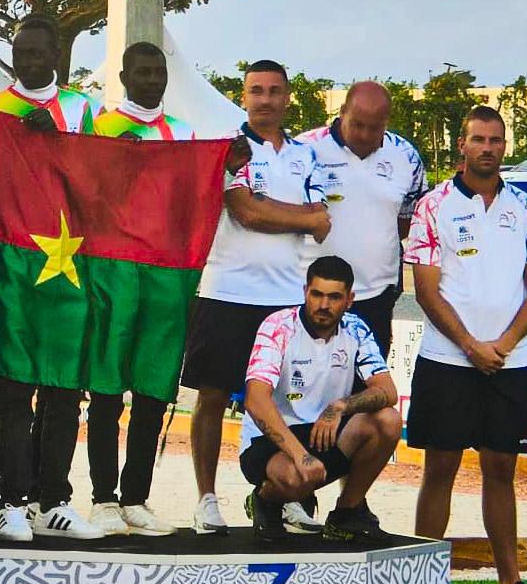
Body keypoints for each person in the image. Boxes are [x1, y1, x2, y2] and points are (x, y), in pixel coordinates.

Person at [406, 106, 527, 584]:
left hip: (511, 364)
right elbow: (426, 291)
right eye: (478, 139)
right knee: (440, 470)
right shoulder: (433, 207)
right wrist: (470, 345)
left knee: (501, 471)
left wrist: (505, 344)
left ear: (504, 147)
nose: (488, 148)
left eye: (495, 140)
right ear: (461, 148)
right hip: (448, 359)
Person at [180, 60, 329, 534]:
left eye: (274, 91)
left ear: (288, 97)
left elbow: (323, 221)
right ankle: (206, 498)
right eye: (256, 91)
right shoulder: (231, 147)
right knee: (213, 395)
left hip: (286, 297)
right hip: (227, 290)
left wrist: (287, 213)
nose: (265, 99)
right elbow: (245, 212)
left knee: (289, 400)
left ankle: (287, 494)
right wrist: (298, 216)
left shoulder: (307, 155)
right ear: (243, 96)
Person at [0, 15, 104, 543]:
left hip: (67, 265)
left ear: (57, 54)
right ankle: (8, 500)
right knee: (10, 387)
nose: (30, 62)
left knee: (62, 389)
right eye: (22, 53)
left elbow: (99, 180)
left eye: (39, 53)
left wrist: (61, 148)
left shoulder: (81, 110)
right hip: (10, 266)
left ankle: (53, 499)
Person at [81, 41, 192, 538]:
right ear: (123, 76)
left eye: (159, 72)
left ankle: (136, 498)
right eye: (142, 72)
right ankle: (103, 498)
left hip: (163, 278)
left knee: (151, 391)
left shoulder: (185, 135)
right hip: (112, 273)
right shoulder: (99, 128)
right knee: (106, 391)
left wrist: (226, 163)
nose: (152, 80)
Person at [241, 256, 401, 542]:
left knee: (388, 420)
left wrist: (341, 406)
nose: (323, 305)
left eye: (334, 297)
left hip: (323, 432)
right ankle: (265, 499)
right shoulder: (278, 326)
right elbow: (255, 398)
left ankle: (346, 514)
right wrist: (299, 456)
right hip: (271, 440)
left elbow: (387, 391)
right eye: (316, 294)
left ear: (350, 299)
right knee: (297, 480)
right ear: (305, 292)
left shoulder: (356, 328)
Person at [298, 82, 425, 372]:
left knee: (366, 393)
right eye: (357, 124)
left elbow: (406, 221)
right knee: (306, 385)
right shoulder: (305, 150)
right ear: (342, 112)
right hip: (313, 296)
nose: (365, 135)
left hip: (375, 298)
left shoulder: (406, 155)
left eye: (375, 127)